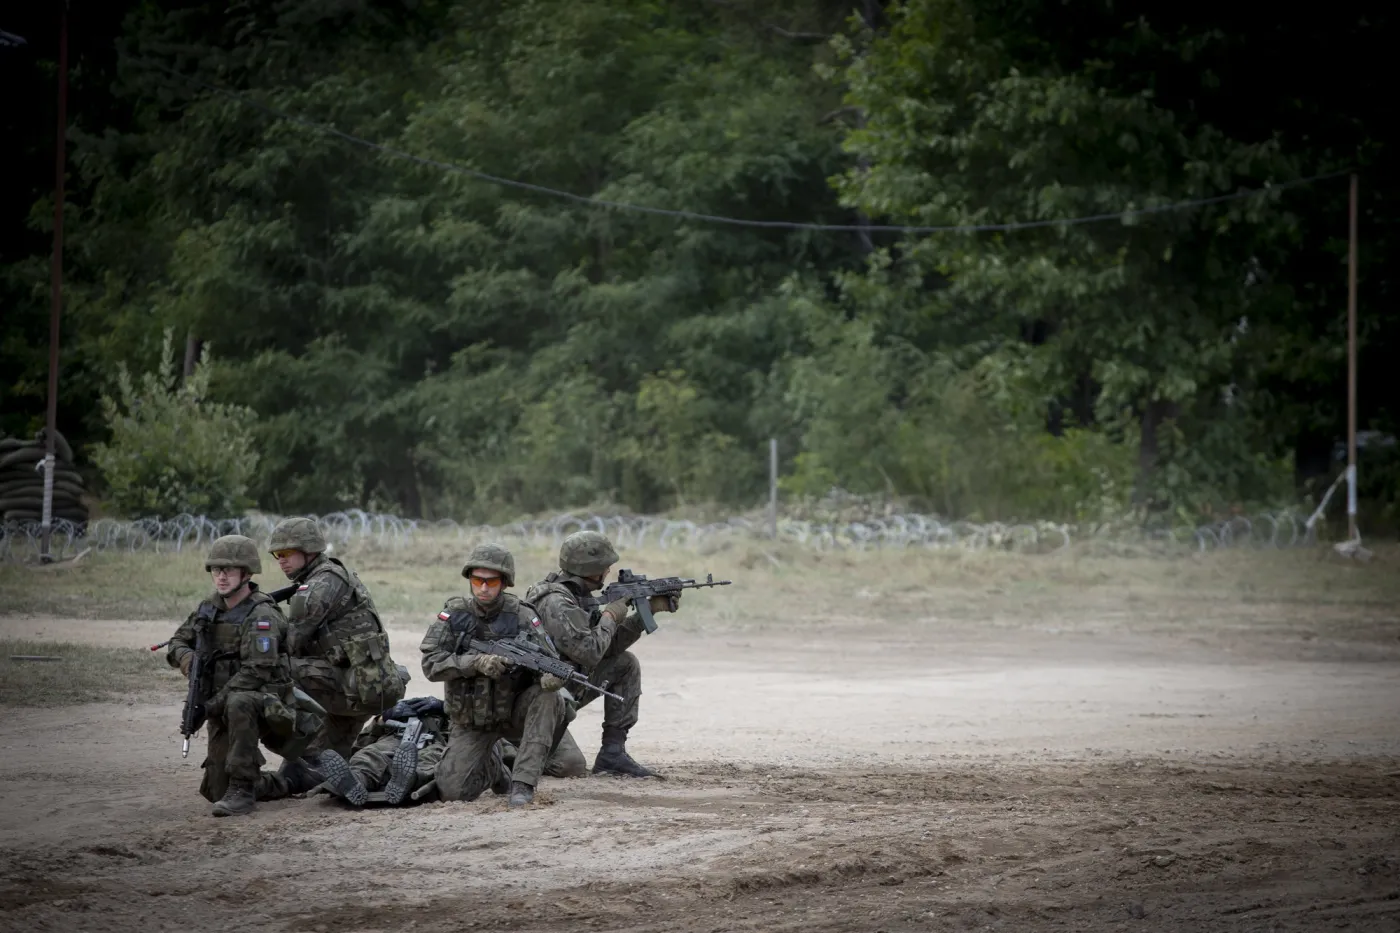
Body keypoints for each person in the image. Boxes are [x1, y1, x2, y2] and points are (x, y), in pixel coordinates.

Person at [165, 535, 325, 817]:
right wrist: (188, 659)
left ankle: (243, 790)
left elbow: (256, 671)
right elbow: (177, 641)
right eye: (217, 570)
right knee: (215, 790)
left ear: (246, 573)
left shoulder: (261, 615)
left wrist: (210, 707)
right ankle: (289, 779)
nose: (222, 577)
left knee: (239, 700)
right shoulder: (209, 609)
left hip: (268, 704)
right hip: (225, 704)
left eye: (228, 570)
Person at [420, 543, 568, 808]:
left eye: (491, 581)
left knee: (550, 698)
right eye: (477, 580)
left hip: (513, 712)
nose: (483, 588)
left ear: (505, 582)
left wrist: (550, 678)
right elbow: (431, 664)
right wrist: (475, 663)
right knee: (453, 791)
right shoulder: (455, 614)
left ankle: (523, 783)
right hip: (471, 721)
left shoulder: (523, 616)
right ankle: (496, 767)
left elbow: (549, 662)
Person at [526, 530, 677, 778]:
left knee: (625, 664)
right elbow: (590, 653)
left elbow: (609, 646)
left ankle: (612, 754)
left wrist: (648, 611)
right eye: (604, 567)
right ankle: (513, 753)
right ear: (589, 569)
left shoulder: (578, 596)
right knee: (570, 765)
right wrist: (610, 616)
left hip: (568, 686)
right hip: (542, 698)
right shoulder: (556, 602)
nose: (608, 572)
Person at [268, 517, 408, 767]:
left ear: (308, 550)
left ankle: (303, 736)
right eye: (277, 554)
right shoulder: (327, 575)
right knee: (316, 770)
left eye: (286, 553)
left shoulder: (321, 584)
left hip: (354, 687)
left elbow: (288, 643)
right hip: (364, 684)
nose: (281, 559)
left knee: (273, 670)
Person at [317, 697, 449, 806]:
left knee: (429, 759)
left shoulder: (450, 715)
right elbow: (362, 743)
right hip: (395, 738)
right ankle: (356, 781)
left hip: (434, 741)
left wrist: (445, 708)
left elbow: (464, 736)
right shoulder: (393, 721)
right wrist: (384, 718)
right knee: (369, 755)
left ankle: (408, 779)